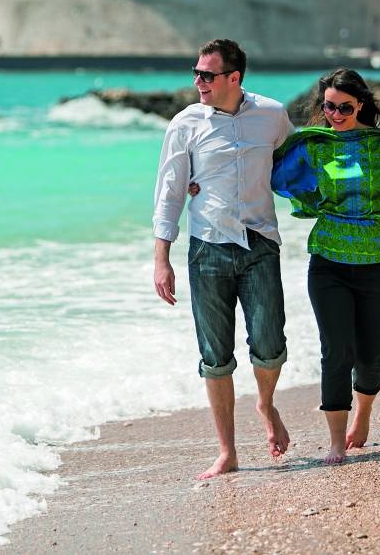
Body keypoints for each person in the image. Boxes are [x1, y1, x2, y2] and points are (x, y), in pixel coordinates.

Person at [270, 68, 380, 465]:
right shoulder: (312, 146)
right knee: (335, 351)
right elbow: (267, 175)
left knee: (370, 354)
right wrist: (201, 182)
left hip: (378, 263)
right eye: (329, 107)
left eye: (344, 107)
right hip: (327, 262)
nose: (336, 115)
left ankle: (363, 412)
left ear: (360, 105)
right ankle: (336, 443)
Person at [153, 38, 296, 479]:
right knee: (214, 356)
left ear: (234, 78)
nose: (198, 82)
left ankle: (265, 403)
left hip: (260, 244)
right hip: (207, 248)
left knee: (269, 345)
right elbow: (169, 191)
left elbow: (293, 164)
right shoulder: (185, 124)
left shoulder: (272, 115)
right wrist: (161, 258)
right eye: (196, 73)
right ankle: (227, 452)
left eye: (207, 75)